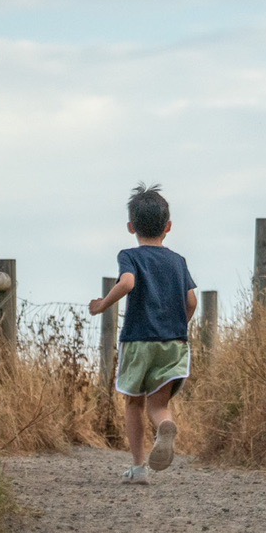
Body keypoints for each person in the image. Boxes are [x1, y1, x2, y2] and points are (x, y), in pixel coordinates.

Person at [88, 184, 197, 484]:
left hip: (138, 341)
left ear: (131, 226)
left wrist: (102, 305)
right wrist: (178, 326)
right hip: (174, 343)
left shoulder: (130, 256)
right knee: (159, 405)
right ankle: (165, 425)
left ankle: (138, 468)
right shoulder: (179, 262)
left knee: (134, 402)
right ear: (169, 227)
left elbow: (127, 284)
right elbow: (192, 302)